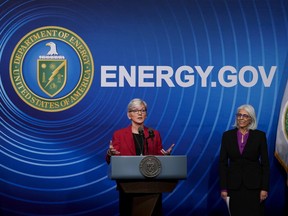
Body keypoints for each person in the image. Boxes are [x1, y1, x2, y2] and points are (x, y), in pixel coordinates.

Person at [219, 104, 270, 216]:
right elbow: (222, 163)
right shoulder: (227, 136)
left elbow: (265, 164)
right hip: (234, 186)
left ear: (251, 118)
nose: (241, 118)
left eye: (245, 116)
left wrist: (264, 188)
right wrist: (223, 188)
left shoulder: (260, 136)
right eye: (239, 115)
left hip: (254, 187)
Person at [105, 98, 174, 164]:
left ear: (146, 115)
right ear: (129, 115)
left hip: (149, 174)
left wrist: (165, 156)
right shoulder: (119, 135)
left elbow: (159, 159)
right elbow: (112, 160)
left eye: (143, 110)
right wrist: (110, 153)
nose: (140, 113)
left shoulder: (154, 134)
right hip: (127, 173)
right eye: (135, 111)